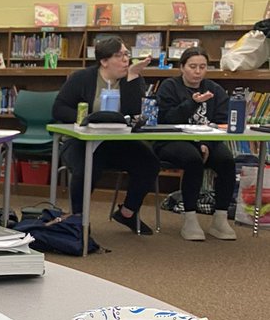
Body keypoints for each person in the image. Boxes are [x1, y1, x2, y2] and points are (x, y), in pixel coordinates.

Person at [53, 35, 160, 234]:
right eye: (119, 56)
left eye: (127, 55)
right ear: (104, 61)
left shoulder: (132, 78)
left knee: (149, 162)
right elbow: (59, 109)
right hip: (81, 140)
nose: (125, 60)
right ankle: (79, 220)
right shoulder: (82, 78)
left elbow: (133, 113)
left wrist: (132, 77)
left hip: (117, 142)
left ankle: (128, 213)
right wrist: (88, 118)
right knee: (88, 166)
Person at [154, 45, 237, 240]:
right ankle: (190, 218)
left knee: (227, 161)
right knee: (193, 159)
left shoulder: (214, 89)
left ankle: (220, 218)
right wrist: (193, 103)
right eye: (192, 66)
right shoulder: (170, 87)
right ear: (182, 67)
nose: (198, 71)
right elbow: (167, 119)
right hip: (172, 139)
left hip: (207, 141)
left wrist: (206, 142)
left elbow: (221, 122)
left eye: (202, 67)